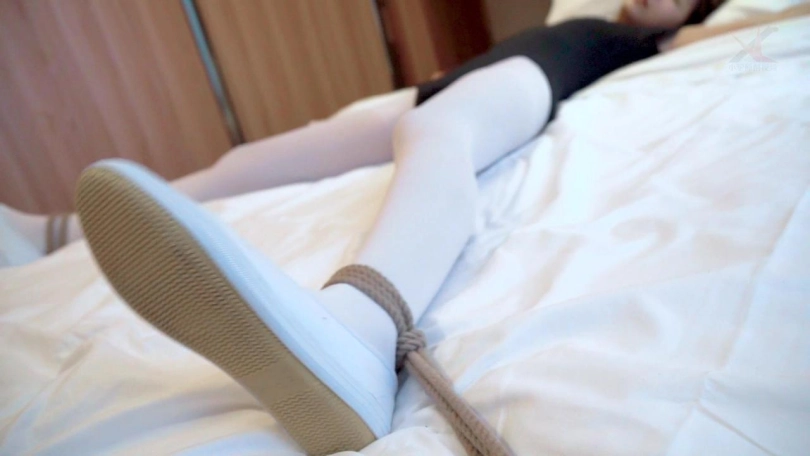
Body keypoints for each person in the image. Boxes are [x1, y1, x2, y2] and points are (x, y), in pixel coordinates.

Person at [10, 1, 810, 454]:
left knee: (441, 138)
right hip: (452, 81)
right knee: (256, 161)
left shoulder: (639, 39)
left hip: (529, 83)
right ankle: (50, 235)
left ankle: (361, 326)